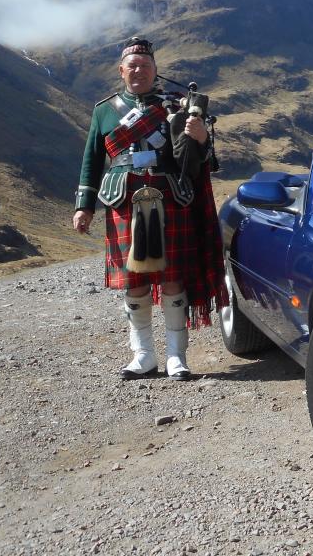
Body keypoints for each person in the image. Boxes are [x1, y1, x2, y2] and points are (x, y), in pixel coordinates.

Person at [73, 36, 227, 380]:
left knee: (172, 278)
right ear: (121, 71)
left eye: (145, 65)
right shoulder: (104, 111)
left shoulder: (175, 106)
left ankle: (176, 357)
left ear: (155, 70)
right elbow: (92, 161)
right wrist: (84, 206)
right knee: (134, 282)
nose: (138, 71)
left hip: (169, 196)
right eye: (132, 66)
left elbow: (197, 160)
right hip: (123, 200)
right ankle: (142, 356)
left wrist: (201, 137)